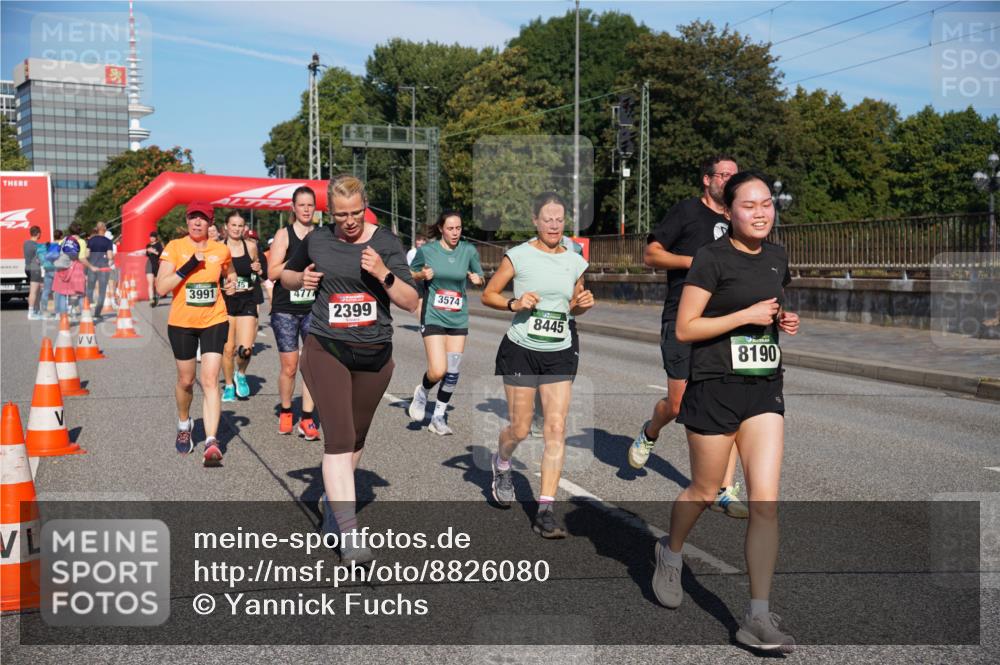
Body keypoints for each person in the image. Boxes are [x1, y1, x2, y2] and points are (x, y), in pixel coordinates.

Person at [652, 171, 799, 652]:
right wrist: (744, 317)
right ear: (728, 212)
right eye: (749, 206)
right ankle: (670, 553)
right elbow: (686, 328)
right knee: (704, 488)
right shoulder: (711, 258)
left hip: (763, 390)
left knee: (765, 503)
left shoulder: (777, 256)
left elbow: (771, 310)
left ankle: (757, 616)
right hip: (714, 388)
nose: (761, 212)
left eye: (767, 205)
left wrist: (783, 319)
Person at [281, 174, 417, 563]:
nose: (350, 221)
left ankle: (331, 505)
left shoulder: (386, 242)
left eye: (356, 212)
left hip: (374, 356)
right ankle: (351, 532)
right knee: (338, 439)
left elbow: (410, 301)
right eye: (341, 215)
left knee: (356, 439)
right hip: (327, 347)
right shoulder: (319, 239)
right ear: (330, 212)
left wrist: (383, 273)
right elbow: (286, 275)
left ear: (365, 204)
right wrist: (300, 278)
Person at [629, 154, 749, 519]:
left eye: (734, 175)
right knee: (679, 405)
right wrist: (693, 262)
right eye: (723, 175)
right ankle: (650, 431)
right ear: (707, 180)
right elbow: (651, 255)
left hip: (724, 321)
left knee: (728, 403)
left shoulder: (739, 219)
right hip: (681, 317)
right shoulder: (686, 212)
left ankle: (725, 488)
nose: (728, 180)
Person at [481, 192, 593, 539]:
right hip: (521, 349)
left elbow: (572, 305)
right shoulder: (519, 255)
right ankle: (502, 463)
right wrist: (515, 302)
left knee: (556, 427)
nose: (555, 225)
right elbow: (489, 294)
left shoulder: (575, 259)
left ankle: (545, 509)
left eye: (559, 219)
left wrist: (583, 304)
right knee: (520, 427)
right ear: (535, 221)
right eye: (548, 219)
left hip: (560, 349)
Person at [154, 201, 237, 466]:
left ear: (210, 223)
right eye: (193, 218)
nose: (197, 223)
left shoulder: (220, 249)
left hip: (214, 319)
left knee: (210, 379)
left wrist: (231, 283)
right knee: (186, 380)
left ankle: (212, 441)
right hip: (182, 322)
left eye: (202, 218)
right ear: (187, 221)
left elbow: (229, 272)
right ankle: (183, 423)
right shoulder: (174, 247)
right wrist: (188, 265)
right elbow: (160, 288)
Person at [407, 211, 484, 435]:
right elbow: (410, 274)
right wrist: (421, 275)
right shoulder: (427, 251)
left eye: (458, 228)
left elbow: (480, 276)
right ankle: (422, 391)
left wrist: (478, 279)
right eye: (450, 228)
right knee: (438, 370)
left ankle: (438, 417)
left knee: (453, 371)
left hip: (458, 316)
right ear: (441, 228)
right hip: (433, 315)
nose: (455, 233)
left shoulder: (468, 250)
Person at [267, 187, 320, 440]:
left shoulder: (322, 235)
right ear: (293, 207)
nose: (307, 209)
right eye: (302, 205)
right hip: (286, 308)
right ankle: (287, 411)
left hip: (314, 307)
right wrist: (298, 263)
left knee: (311, 364)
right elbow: (272, 272)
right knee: (290, 367)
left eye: (311, 205)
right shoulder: (283, 235)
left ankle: (307, 418)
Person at [220, 211, 264, 402]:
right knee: (228, 349)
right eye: (233, 225)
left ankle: (241, 374)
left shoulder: (251, 246)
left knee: (245, 349)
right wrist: (224, 287)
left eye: (240, 225)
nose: (237, 229)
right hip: (225, 302)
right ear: (226, 227)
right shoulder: (218, 248)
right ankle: (229, 384)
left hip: (247, 300)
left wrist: (258, 270)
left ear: (244, 227)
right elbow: (212, 277)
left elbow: (257, 274)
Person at [52, 223, 91, 320]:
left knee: (62, 293)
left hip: (62, 269)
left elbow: (57, 254)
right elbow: (81, 257)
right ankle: (84, 317)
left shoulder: (63, 240)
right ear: (80, 231)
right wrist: (91, 266)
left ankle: (62, 316)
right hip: (76, 268)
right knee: (80, 293)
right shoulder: (81, 241)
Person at [85, 222, 115, 320]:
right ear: (104, 229)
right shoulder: (108, 241)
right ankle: (97, 313)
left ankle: (87, 310)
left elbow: (87, 255)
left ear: (97, 229)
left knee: (90, 289)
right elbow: (110, 256)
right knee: (102, 290)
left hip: (92, 266)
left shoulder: (91, 240)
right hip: (103, 268)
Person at [37, 229, 63, 319]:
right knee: (58, 291)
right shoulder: (60, 245)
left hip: (47, 269)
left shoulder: (48, 245)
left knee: (46, 291)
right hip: (56, 269)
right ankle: (58, 312)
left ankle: (43, 311)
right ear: (61, 236)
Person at [24, 225, 44, 320]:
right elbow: (41, 260)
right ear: (38, 234)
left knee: (36, 290)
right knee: (33, 292)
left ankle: (36, 310)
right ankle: (31, 313)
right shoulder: (37, 246)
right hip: (35, 269)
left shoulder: (25, 243)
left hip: (27, 268)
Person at [146, 231, 164, 307]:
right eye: (151, 237)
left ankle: (156, 298)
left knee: (157, 284)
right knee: (150, 283)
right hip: (149, 264)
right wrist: (148, 251)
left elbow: (161, 254)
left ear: (156, 238)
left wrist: (154, 251)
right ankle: (151, 299)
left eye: (153, 237)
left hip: (156, 265)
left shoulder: (159, 245)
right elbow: (147, 254)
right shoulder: (148, 245)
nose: (152, 238)